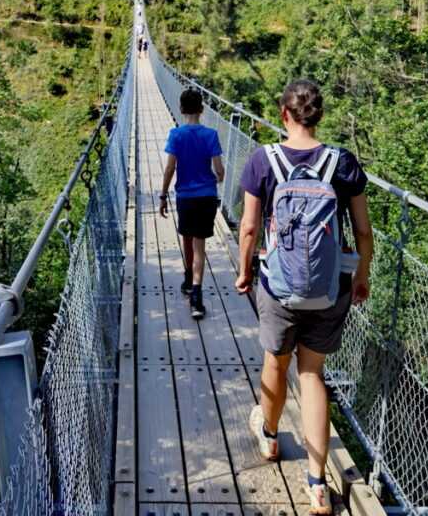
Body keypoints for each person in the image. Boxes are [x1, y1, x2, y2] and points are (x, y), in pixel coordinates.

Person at [235, 79, 373, 516]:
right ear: (319, 116)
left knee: (275, 362)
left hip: (277, 284)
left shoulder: (264, 159)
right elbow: (364, 231)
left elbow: (250, 229)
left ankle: (271, 436)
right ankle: (317, 485)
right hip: (331, 287)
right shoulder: (342, 162)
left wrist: (244, 271)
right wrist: (362, 276)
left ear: (284, 115)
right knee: (312, 376)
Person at [159, 87, 225, 319]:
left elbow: (169, 168)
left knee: (187, 237)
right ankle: (196, 294)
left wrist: (163, 196)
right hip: (206, 196)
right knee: (199, 245)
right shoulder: (211, 135)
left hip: (185, 197)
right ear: (202, 109)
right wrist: (220, 175)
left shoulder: (176, 135)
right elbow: (218, 170)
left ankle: (189, 279)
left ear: (180, 110)